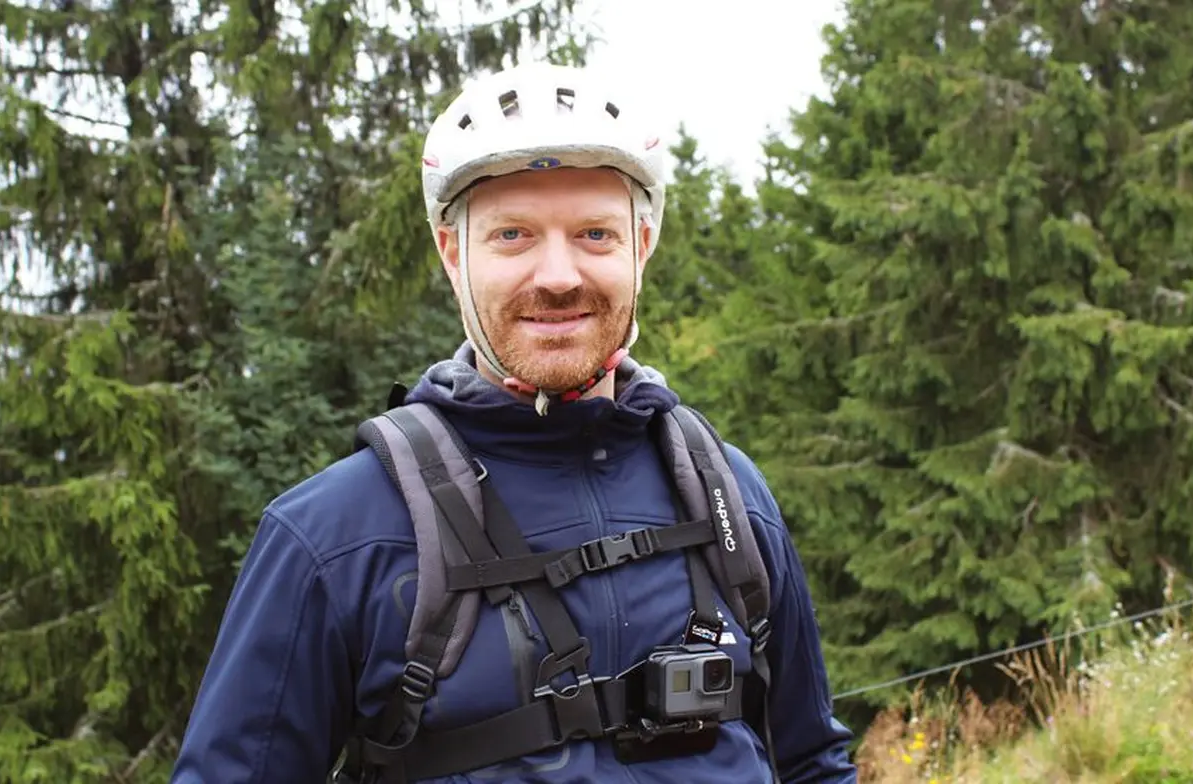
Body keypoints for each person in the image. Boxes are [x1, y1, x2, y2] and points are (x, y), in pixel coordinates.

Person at [170, 61, 857, 783]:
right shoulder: (335, 534)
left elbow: (811, 763)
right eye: (513, 235)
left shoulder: (726, 495)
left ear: (642, 245)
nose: (558, 275)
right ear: (453, 253)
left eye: (595, 233)